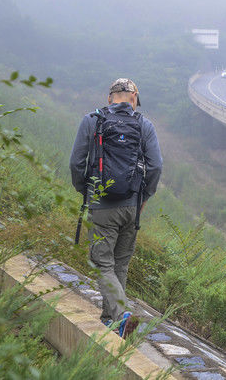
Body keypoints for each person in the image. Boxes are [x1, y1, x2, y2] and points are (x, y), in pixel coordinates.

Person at [69, 78, 162, 337]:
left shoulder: (92, 120)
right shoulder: (144, 124)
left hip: (101, 206)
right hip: (132, 206)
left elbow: (77, 163)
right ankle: (112, 323)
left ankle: (121, 314)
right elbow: (155, 166)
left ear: (110, 97)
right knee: (119, 265)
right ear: (134, 98)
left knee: (102, 264)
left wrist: (86, 191)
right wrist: (145, 197)